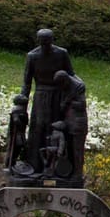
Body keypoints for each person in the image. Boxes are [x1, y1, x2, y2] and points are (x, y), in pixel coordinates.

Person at [20, 29, 75, 174]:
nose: (45, 44)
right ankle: (34, 164)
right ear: (38, 41)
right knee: (38, 127)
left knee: (56, 128)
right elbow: (27, 82)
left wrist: (76, 92)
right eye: (42, 41)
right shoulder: (32, 56)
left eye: (47, 41)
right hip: (40, 95)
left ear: (51, 40)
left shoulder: (61, 53)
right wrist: (22, 103)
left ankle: (56, 167)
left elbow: (71, 75)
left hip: (58, 95)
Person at [54, 70, 88, 182]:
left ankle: (77, 174)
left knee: (77, 150)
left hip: (78, 123)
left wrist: (68, 102)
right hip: (69, 123)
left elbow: (82, 105)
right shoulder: (70, 85)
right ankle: (68, 172)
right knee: (69, 149)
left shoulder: (77, 88)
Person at [4, 94, 29, 174]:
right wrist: (20, 122)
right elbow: (15, 120)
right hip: (17, 133)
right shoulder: (17, 109)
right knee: (14, 148)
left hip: (20, 132)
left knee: (19, 148)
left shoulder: (21, 109)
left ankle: (13, 163)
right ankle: (9, 164)